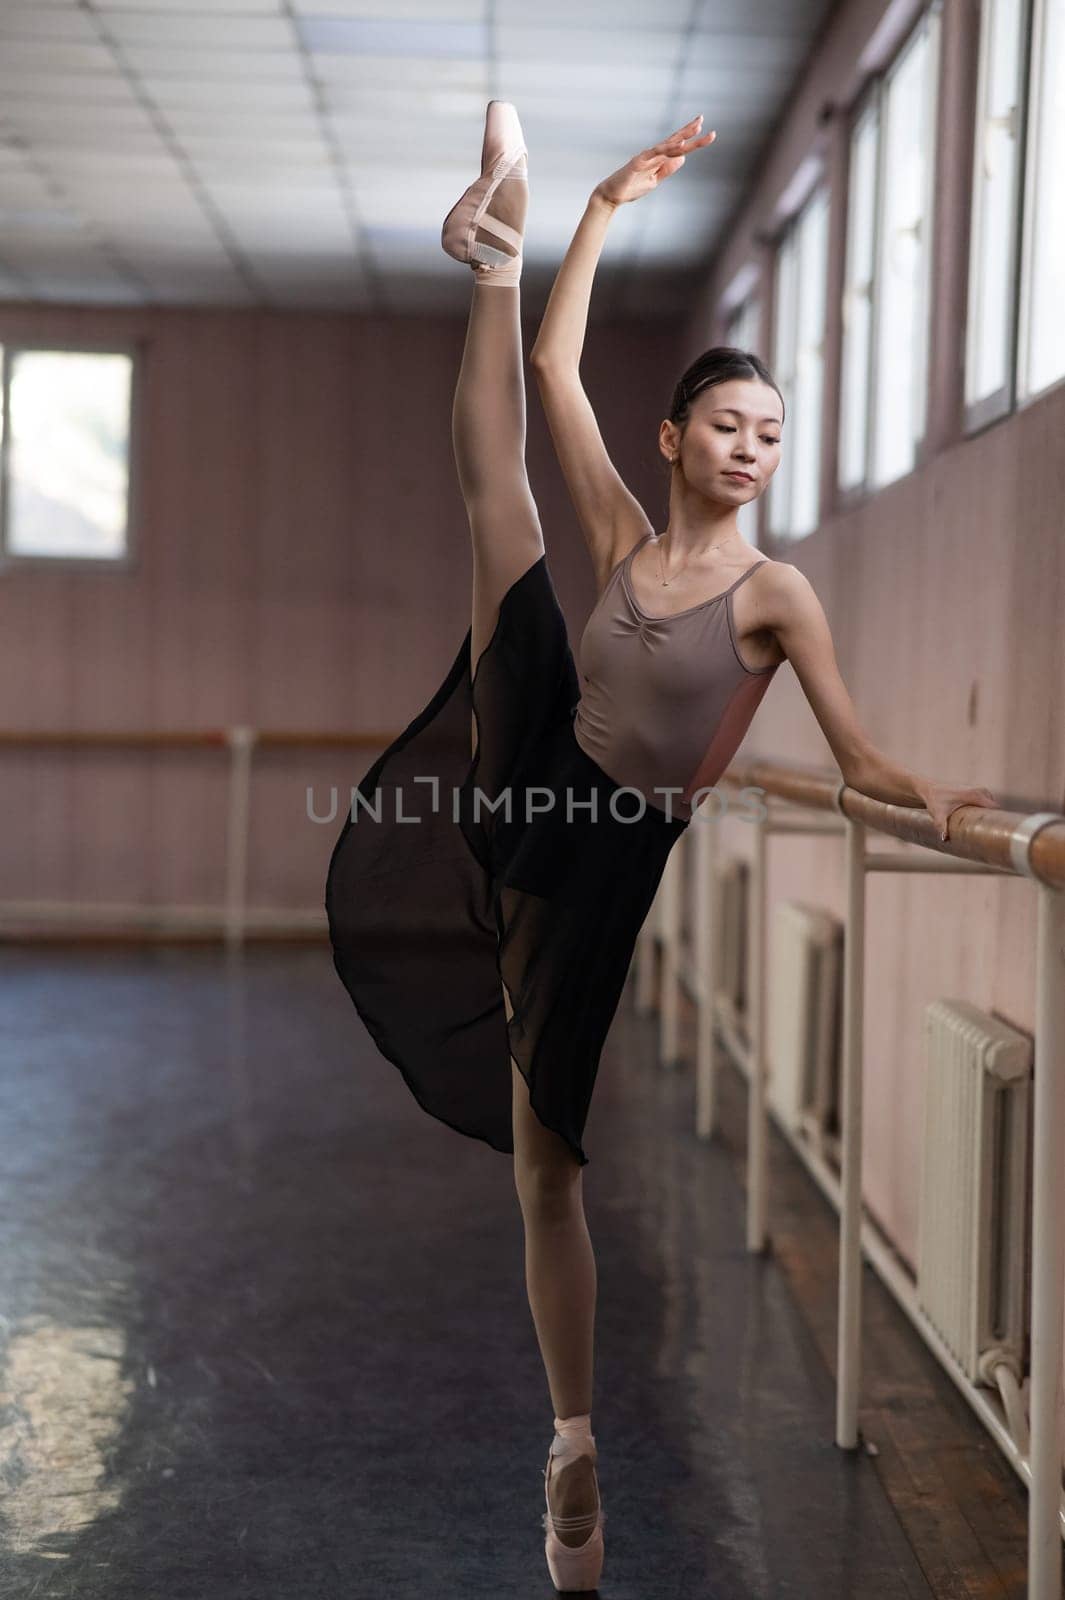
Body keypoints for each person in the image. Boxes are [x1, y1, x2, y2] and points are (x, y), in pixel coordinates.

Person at [325, 101, 997, 1592]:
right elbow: (557, 375)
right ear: (675, 436)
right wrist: (603, 208)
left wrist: (934, 805)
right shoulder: (628, 535)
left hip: (602, 863)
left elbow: (856, 753)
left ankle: (573, 1447)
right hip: (531, 766)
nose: (751, 450)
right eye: (729, 426)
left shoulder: (776, 594)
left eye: (770, 434)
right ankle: (490, 249)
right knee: (501, 518)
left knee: (545, 1168)